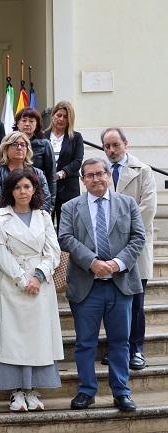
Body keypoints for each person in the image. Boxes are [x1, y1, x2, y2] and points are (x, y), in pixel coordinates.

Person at [58, 158, 145, 413]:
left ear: (108, 175)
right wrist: (92, 262)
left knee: (120, 342)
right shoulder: (71, 207)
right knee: (85, 343)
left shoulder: (127, 204)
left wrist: (117, 263)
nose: (96, 179)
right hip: (87, 286)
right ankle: (86, 391)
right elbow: (65, 237)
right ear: (83, 180)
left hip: (120, 284)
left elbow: (139, 237)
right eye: (90, 176)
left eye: (100, 174)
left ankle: (122, 392)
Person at [0, 168, 63, 412]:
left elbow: (53, 251)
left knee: (37, 338)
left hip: (40, 284)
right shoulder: (0, 216)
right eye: (17, 187)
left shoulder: (43, 216)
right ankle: (15, 392)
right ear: (10, 190)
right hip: (11, 284)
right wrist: (22, 279)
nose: (22, 191)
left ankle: (32, 389)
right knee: (12, 339)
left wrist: (38, 276)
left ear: (34, 190)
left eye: (27, 187)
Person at [102, 128, 157, 371]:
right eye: (107, 147)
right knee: (112, 302)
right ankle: (116, 348)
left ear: (126, 143)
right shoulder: (99, 172)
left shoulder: (143, 171)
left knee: (136, 302)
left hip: (135, 247)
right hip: (107, 250)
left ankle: (136, 349)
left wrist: (124, 237)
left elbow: (148, 209)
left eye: (115, 145)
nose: (111, 150)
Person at [0, 132, 52, 214]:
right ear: (5, 148)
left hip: (35, 221)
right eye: (14, 144)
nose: (19, 147)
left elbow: (46, 200)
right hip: (6, 220)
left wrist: (32, 217)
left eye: (23, 145)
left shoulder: (38, 173)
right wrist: (19, 216)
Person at [44, 101, 84, 225]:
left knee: (67, 224)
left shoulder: (76, 137)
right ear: (53, 116)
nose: (61, 119)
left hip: (68, 187)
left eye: (66, 117)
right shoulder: (42, 136)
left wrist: (61, 173)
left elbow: (78, 161)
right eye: (59, 115)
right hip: (46, 187)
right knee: (46, 223)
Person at [14, 107, 56, 210]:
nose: (27, 124)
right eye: (24, 121)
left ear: (37, 124)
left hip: (38, 194)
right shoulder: (9, 143)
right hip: (15, 193)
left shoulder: (45, 144)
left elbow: (51, 176)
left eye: (31, 121)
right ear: (17, 124)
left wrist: (51, 203)